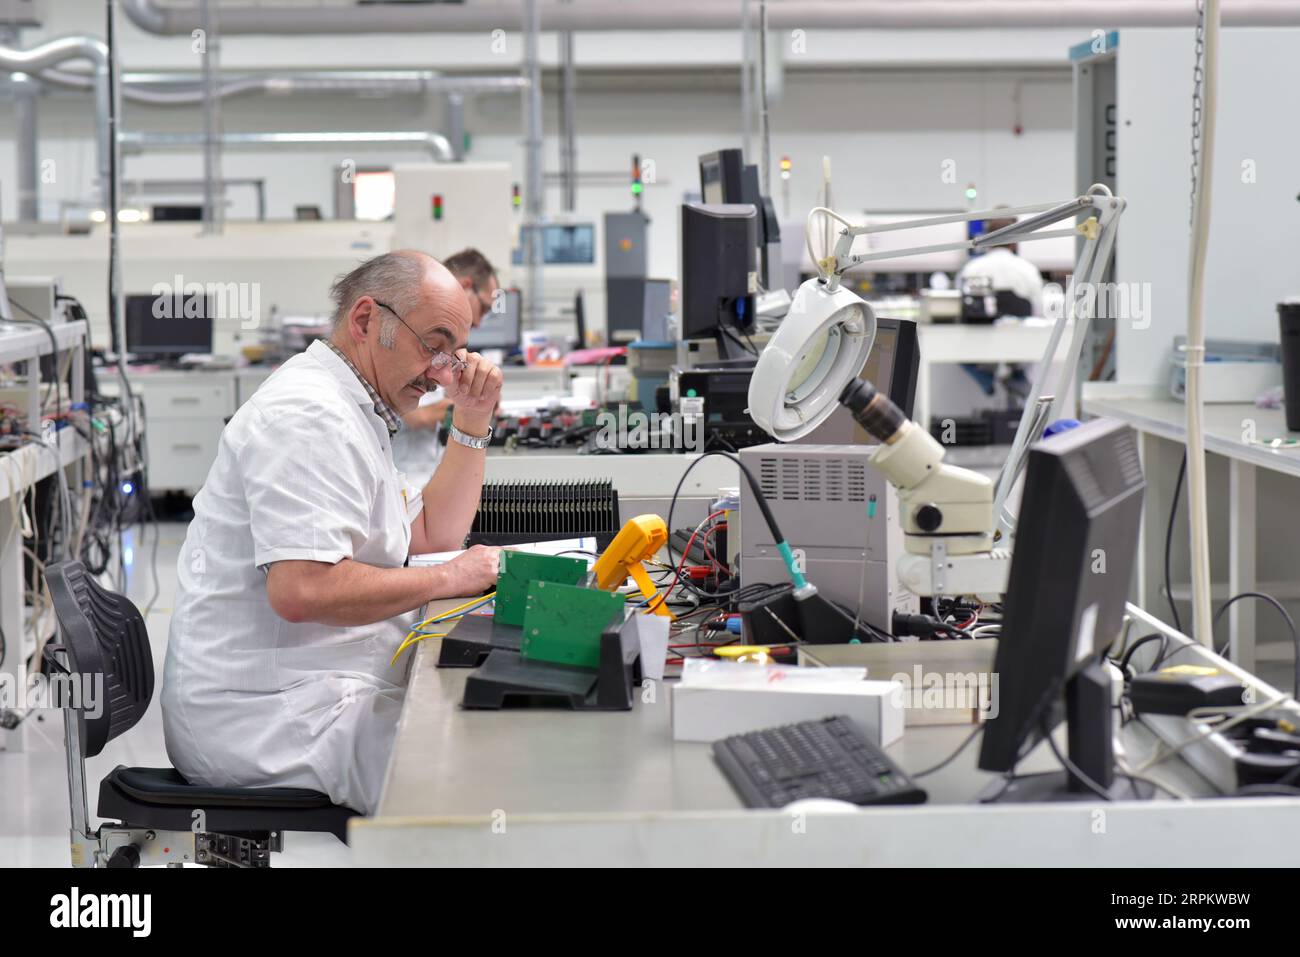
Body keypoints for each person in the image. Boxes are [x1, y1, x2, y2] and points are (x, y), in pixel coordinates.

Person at [161, 250, 503, 815]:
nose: (444, 372)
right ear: (367, 320)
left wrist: (471, 419)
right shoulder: (309, 416)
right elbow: (303, 590)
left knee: (474, 738)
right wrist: (448, 578)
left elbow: (430, 533)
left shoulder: (354, 408)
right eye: (434, 345)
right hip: (268, 716)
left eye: (454, 354)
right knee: (466, 785)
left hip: (316, 686)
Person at [392, 248, 500, 484]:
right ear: (466, 285)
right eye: (483, 308)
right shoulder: (413, 329)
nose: (480, 321)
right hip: (403, 478)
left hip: (422, 474)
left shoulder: (439, 341)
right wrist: (470, 407)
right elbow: (415, 416)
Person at [955, 215, 1046, 397]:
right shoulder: (1027, 269)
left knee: (950, 349)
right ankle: (1016, 375)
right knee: (1024, 357)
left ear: (987, 239)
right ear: (1014, 243)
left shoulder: (972, 269)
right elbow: (1038, 312)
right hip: (1021, 345)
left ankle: (987, 380)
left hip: (978, 344)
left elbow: (959, 306)